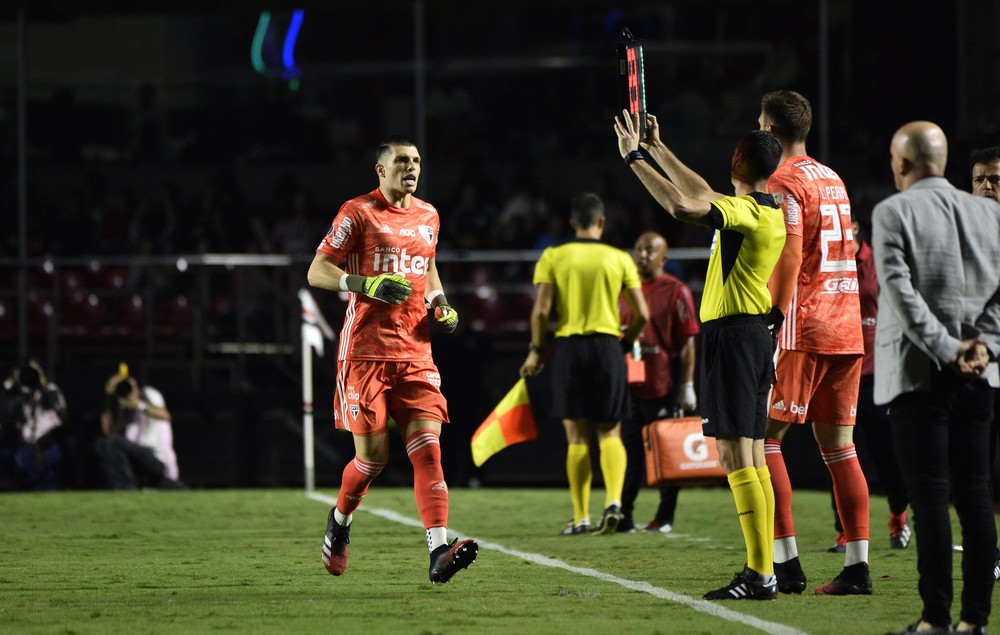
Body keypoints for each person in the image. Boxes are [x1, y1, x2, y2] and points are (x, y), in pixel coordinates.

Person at [614, 109, 785, 600]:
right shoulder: (764, 208)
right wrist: (658, 148)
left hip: (733, 339)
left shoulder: (748, 213)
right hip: (752, 337)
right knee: (752, 454)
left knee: (736, 455)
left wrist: (635, 161)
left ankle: (759, 574)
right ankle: (764, 569)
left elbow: (684, 208)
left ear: (737, 161)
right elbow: (704, 193)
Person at [307, 136, 477, 584]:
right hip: (366, 353)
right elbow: (317, 269)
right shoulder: (357, 212)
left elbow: (429, 265)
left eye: (417, 160)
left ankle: (438, 550)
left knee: (428, 453)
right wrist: (365, 284)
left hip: (416, 352)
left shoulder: (429, 215)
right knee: (373, 460)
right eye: (401, 161)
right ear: (380, 170)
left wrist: (440, 302)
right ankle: (340, 523)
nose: (411, 167)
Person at [874, 121, 1000, 635]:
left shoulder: (894, 210)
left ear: (902, 163)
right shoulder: (990, 214)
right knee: (976, 495)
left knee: (929, 497)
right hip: (980, 375)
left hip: (919, 374)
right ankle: (975, 621)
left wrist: (947, 349)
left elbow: (901, 294)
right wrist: (983, 346)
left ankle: (935, 620)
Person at [756, 90, 871, 596]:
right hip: (848, 325)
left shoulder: (781, 181)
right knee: (840, 450)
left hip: (805, 324)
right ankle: (858, 567)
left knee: (761, 439)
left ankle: (787, 563)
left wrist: (768, 315)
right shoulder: (834, 177)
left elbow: (790, 254)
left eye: (760, 125)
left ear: (773, 131)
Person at [519, 192, 648, 536]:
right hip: (608, 346)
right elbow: (642, 314)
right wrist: (628, 339)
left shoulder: (554, 255)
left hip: (569, 349)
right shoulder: (619, 257)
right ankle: (614, 502)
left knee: (576, 436)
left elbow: (542, 310)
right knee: (610, 431)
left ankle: (580, 518)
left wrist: (535, 350)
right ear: (602, 221)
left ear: (573, 223)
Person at [826, 215, 910, 554]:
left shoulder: (880, 261)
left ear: (856, 227)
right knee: (837, 452)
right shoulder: (830, 261)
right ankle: (845, 531)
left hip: (875, 373)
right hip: (839, 369)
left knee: (883, 452)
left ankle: (898, 511)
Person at [617, 231, 700, 534]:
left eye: (650, 251)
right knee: (628, 455)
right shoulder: (623, 290)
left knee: (666, 456)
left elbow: (689, 342)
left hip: (663, 386)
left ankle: (664, 516)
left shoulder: (676, 291)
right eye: (639, 249)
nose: (642, 255)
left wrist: (687, 385)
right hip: (630, 387)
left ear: (664, 258)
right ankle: (623, 515)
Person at [970, 144, 1000, 583]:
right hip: (978, 370)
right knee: (974, 470)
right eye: (981, 179)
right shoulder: (960, 233)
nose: (988, 186)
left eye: (996, 179)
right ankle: (986, 555)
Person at [95, 370, 182, 490]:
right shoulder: (123, 409)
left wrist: (138, 405)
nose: (129, 392)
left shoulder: (149, 394)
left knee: (111, 442)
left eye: (131, 386)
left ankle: (125, 491)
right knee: (103, 443)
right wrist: (108, 399)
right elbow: (108, 433)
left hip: (156, 459)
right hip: (137, 463)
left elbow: (165, 415)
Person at [0, 360, 67, 490]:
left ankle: (51, 488)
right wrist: (14, 382)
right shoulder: (20, 393)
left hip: (51, 441)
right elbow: (10, 412)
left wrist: (42, 382)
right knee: (22, 460)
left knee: (53, 463)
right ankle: (37, 488)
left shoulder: (49, 389)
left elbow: (62, 415)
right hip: (28, 445)